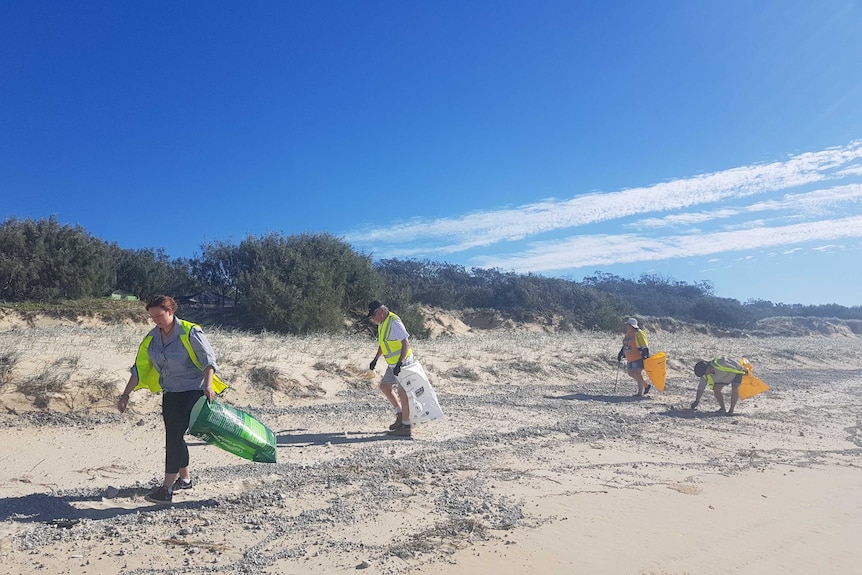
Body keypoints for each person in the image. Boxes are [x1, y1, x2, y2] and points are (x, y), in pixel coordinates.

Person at [116, 295, 227, 504]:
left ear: (170, 311)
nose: (156, 320)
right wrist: (125, 394)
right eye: (152, 317)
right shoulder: (152, 338)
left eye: (159, 315)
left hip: (194, 391)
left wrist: (209, 386)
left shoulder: (190, 331)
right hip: (170, 393)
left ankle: (166, 489)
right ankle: (184, 479)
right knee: (175, 436)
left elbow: (208, 361)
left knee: (173, 438)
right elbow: (139, 369)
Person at [367, 301, 416, 438]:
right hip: (393, 364)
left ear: (381, 311)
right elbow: (383, 344)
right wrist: (375, 359)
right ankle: (400, 415)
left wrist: (400, 364)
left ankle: (406, 427)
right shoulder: (382, 324)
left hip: (403, 363)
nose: (373, 318)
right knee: (385, 386)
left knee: (402, 392)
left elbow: (405, 343)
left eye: (374, 315)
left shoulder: (394, 322)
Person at [617, 317, 651, 396]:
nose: (626, 326)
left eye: (628, 325)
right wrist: (621, 353)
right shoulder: (628, 333)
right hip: (630, 357)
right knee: (630, 373)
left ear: (632, 325)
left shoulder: (639, 333)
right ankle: (646, 385)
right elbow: (625, 344)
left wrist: (645, 356)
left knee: (638, 373)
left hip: (638, 357)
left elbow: (644, 345)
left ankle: (639, 393)